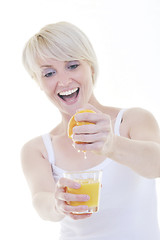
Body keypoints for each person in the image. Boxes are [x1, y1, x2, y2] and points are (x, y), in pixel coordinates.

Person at [21, 21, 160, 240]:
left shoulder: (132, 121)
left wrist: (112, 144)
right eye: (49, 73)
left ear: (91, 67)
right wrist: (57, 205)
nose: (64, 80)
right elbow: (40, 200)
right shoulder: (38, 149)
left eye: (72, 65)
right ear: (37, 81)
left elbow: (157, 165)